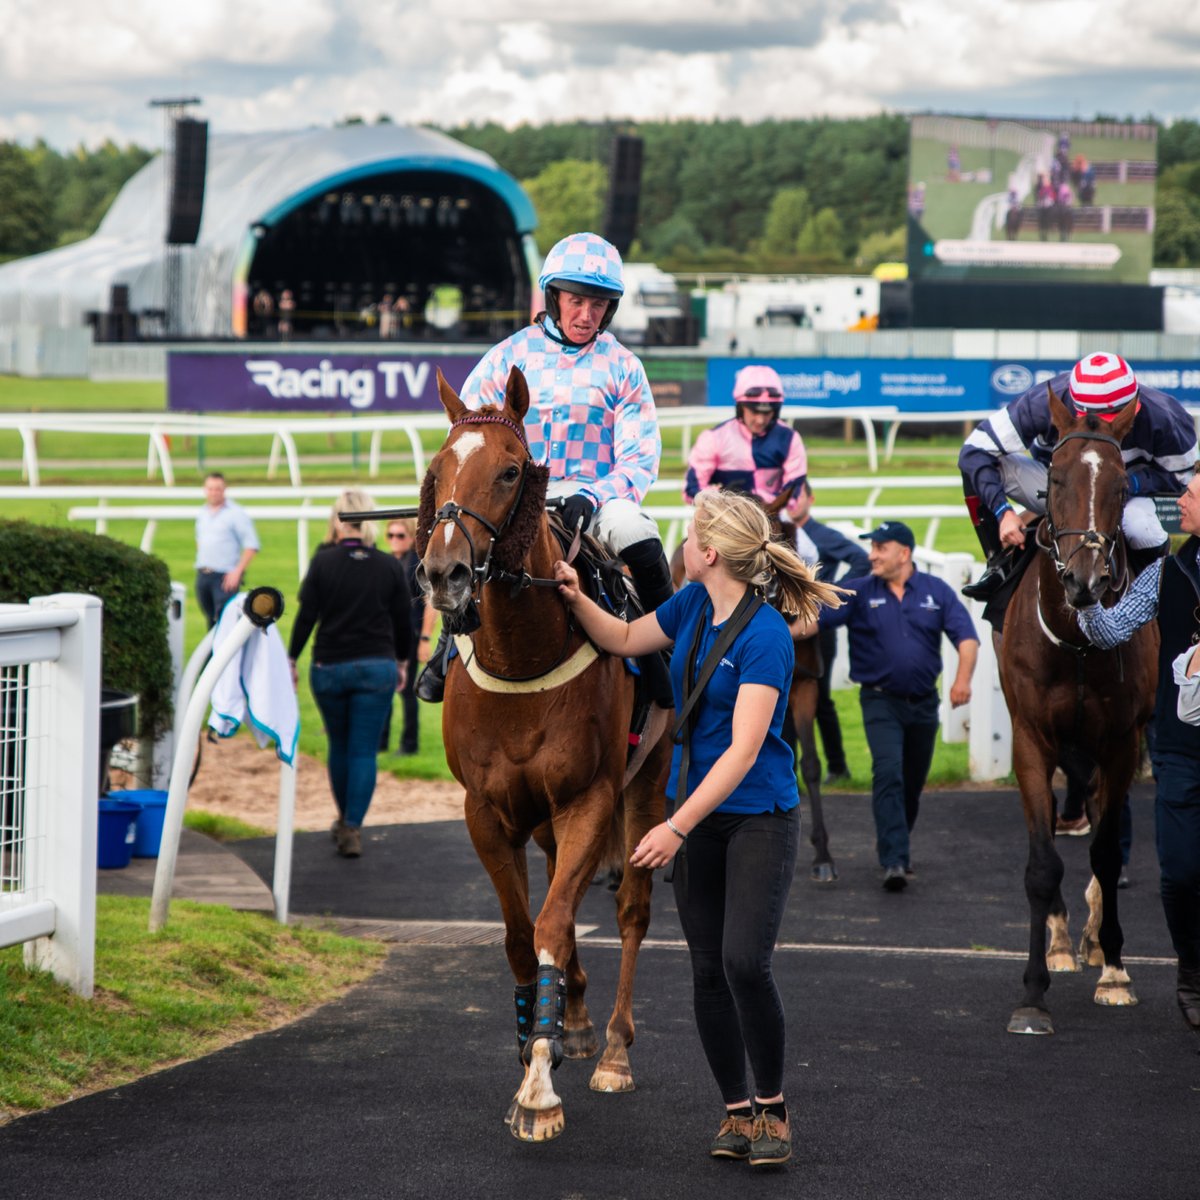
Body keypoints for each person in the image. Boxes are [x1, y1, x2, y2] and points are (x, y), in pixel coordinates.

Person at [553, 487, 844, 1167]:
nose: (680, 546)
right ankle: (735, 1113)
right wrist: (573, 594)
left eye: (688, 536)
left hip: (755, 818)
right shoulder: (688, 604)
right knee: (708, 971)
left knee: (745, 962)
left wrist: (674, 826)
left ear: (708, 553)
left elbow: (745, 751)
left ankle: (772, 1109)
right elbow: (624, 638)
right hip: (694, 815)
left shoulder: (767, 634)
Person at [416, 231, 673, 702]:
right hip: (514, 500)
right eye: (576, 302)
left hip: (595, 503)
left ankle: (668, 653)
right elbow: (468, 440)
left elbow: (640, 458)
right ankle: (447, 644)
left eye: (598, 305)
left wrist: (593, 495)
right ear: (554, 297)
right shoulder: (506, 356)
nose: (586, 315)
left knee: (636, 529)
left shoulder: (623, 367)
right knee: (458, 541)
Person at [1074, 471, 1200, 1035]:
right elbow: (1109, 630)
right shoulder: (1165, 571)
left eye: (1190, 496)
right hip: (1179, 747)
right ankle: (1191, 971)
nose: (1181, 504)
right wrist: (1082, 601)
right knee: (1178, 871)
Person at [801, 521, 979, 891]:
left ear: (904, 553)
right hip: (880, 701)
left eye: (881, 548)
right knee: (888, 772)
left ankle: (895, 840)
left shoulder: (935, 591)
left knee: (912, 783)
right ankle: (895, 860)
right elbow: (811, 623)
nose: (872, 555)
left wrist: (962, 680)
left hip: (924, 705)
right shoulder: (859, 590)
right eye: (872, 547)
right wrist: (765, 633)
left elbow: (966, 637)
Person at [959, 351, 1197, 602]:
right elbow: (975, 449)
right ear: (1076, 407)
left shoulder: (1165, 416)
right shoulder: (1042, 402)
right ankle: (997, 562)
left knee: (1141, 529)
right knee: (977, 466)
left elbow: (1185, 478)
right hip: (1063, 489)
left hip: (1126, 494)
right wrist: (1003, 512)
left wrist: (1130, 484)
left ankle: (1158, 597)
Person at [288, 490, 413, 858]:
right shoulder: (389, 565)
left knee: (339, 747)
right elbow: (404, 622)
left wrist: (292, 658)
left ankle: (343, 818)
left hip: (329, 667)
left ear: (336, 519)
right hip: (376, 668)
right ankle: (352, 826)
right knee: (363, 751)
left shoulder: (322, 562)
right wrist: (403, 661)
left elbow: (306, 616)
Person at [785, 480, 870, 784]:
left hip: (819, 630)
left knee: (819, 698)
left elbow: (861, 558)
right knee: (785, 698)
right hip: (790, 626)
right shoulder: (782, 534)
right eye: (787, 497)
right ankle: (791, 769)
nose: (791, 502)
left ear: (811, 499)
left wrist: (833, 596)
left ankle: (838, 766)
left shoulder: (822, 535)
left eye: (798, 496)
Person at [683, 364, 807, 505]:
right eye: (754, 412)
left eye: (767, 412)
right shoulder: (713, 438)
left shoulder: (790, 439)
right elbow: (691, 491)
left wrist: (759, 502)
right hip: (725, 521)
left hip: (771, 520)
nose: (760, 420)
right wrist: (722, 498)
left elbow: (794, 494)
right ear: (740, 407)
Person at [385, 517, 436, 755]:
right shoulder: (387, 563)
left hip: (410, 636)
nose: (395, 541)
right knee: (384, 688)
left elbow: (431, 604)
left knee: (406, 692)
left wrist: (425, 639)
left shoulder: (416, 564)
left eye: (400, 536)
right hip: (386, 636)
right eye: (390, 536)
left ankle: (409, 744)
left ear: (410, 537)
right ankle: (381, 741)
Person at [194, 472, 260, 628]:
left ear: (224, 489)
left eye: (218, 489)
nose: (214, 492)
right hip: (203, 574)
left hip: (224, 578)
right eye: (210, 489)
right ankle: (213, 653)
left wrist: (237, 572)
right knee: (211, 621)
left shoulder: (236, 513)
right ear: (205, 490)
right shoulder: (203, 512)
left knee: (224, 622)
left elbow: (252, 544)